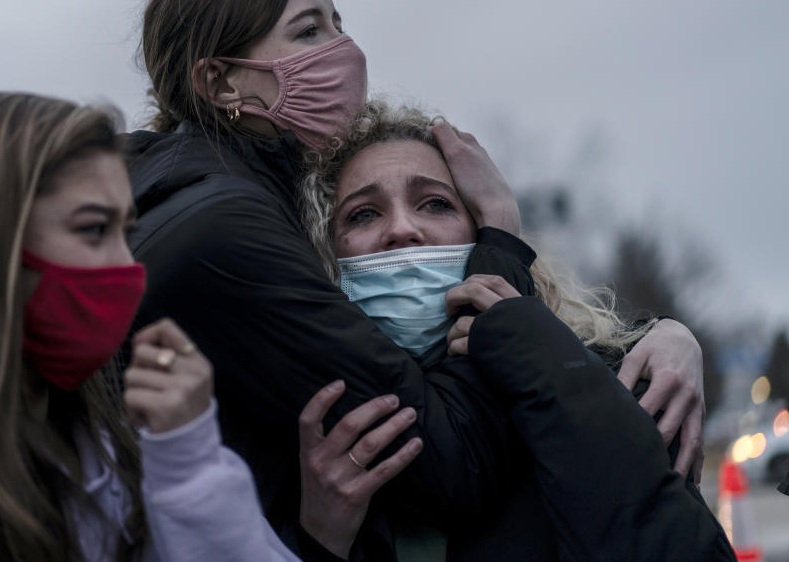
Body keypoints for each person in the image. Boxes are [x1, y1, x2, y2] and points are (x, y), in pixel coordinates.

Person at [128, 0, 707, 560]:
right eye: (308, 32)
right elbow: (454, 462)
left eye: (436, 203)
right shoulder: (234, 230)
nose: (344, 52)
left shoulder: (624, 387)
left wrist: (656, 336)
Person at [0, 92, 420, 562]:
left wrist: (189, 463)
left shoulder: (102, 449)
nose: (124, 265)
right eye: (92, 231)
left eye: (125, 232)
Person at [300, 100, 737, 560]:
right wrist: (319, 543)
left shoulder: (619, 380)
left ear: (483, 234)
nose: (403, 230)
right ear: (329, 253)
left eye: (435, 204)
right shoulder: (312, 432)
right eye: (364, 214)